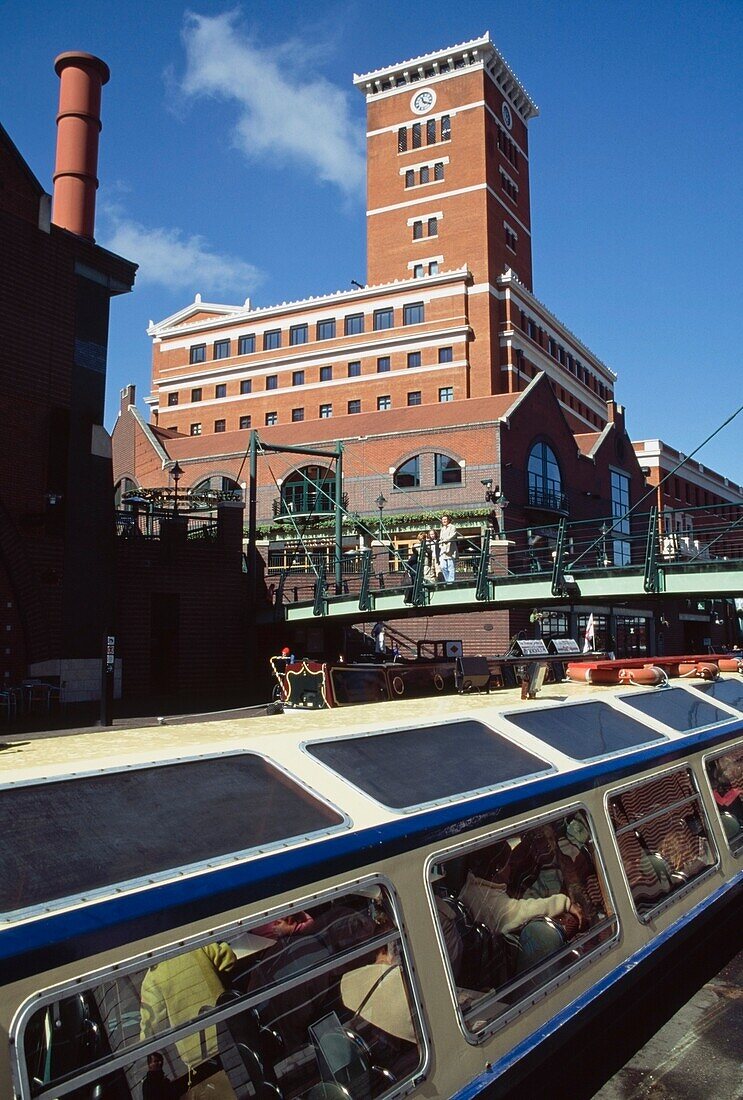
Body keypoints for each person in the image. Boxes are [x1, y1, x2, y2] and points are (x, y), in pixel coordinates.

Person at [139, 942, 237, 1097]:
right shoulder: (196, 945)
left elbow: (150, 1031)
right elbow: (229, 960)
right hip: (229, 1034)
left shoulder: (152, 980)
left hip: (199, 1057)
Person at [439, 515, 459, 584]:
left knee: (451, 567)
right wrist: (440, 544)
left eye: (445, 519)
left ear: (448, 520)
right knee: (443, 566)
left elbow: (453, 535)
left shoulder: (452, 527)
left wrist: (446, 540)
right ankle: (447, 581)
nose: (444, 521)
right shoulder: (442, 529)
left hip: (450, 549)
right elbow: (441, 538)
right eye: (443, 519)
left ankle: (451, 582)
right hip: (443, 550)